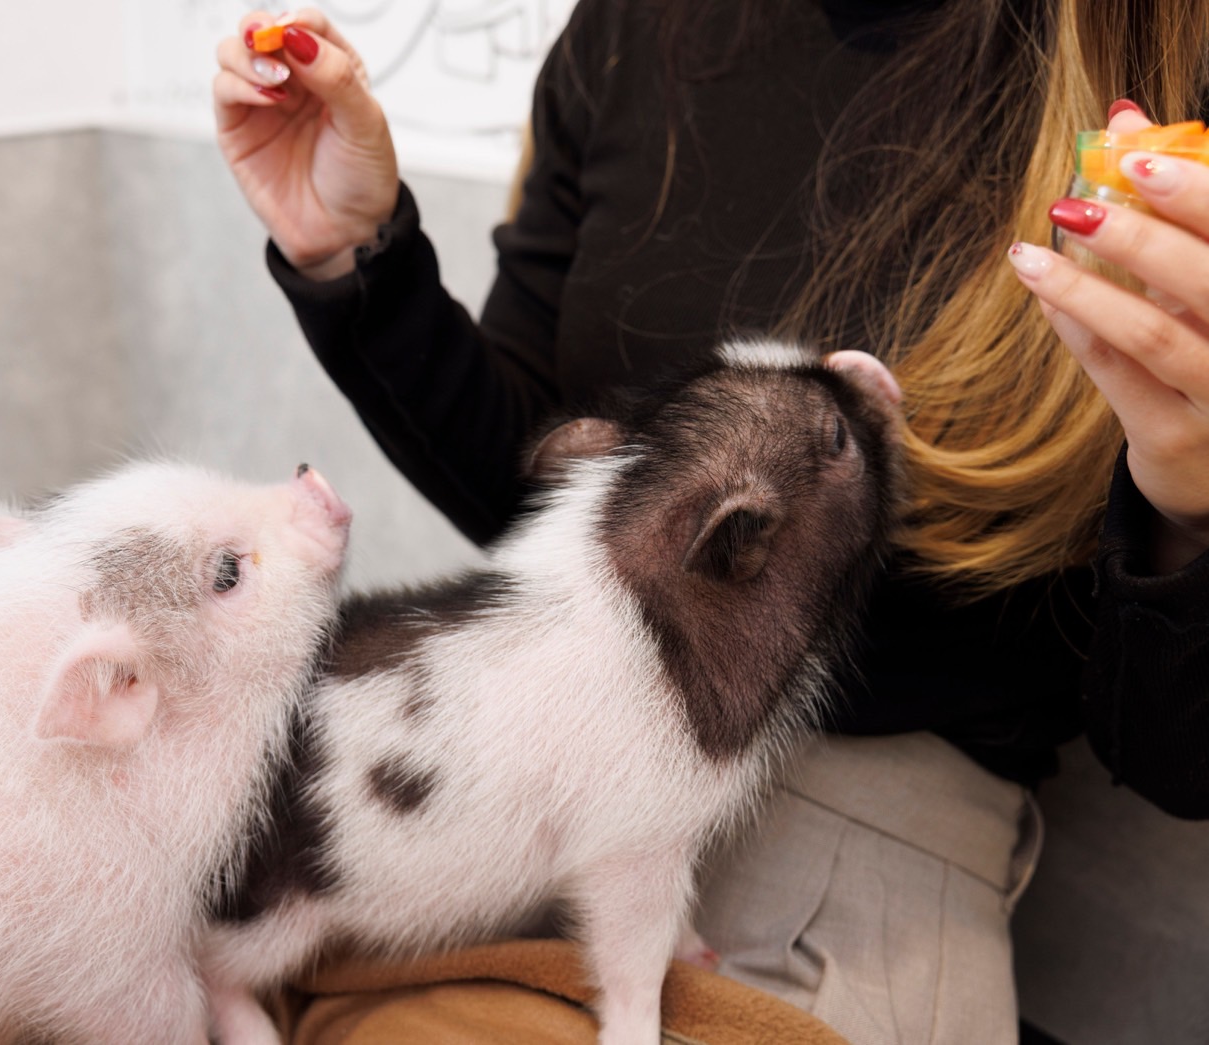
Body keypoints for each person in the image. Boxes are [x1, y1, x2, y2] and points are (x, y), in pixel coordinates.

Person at [211, 1, 1209, 1041]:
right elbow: (541, 498)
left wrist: (1192, 505)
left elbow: (1176, 760)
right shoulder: (638, 26)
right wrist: (352, 258)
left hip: (853, 861)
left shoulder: (1168, 66)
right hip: (518, 793)